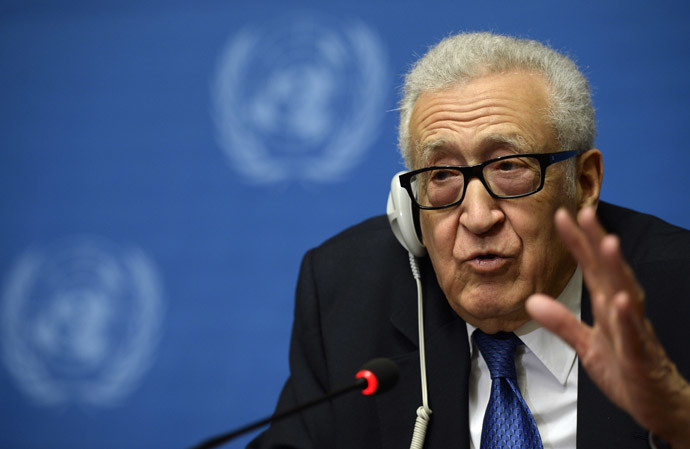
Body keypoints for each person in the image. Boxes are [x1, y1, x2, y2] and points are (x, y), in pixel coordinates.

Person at [249, 32, 690, 449]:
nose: (478, 218)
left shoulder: (679, 292)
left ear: (585, 183)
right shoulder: (346, 296)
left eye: (510, 167)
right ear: (410, 206)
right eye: (441, 175)